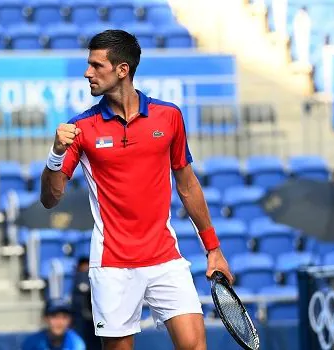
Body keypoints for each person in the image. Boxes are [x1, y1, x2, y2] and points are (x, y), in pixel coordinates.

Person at [40, 29, 233, 350]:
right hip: (113, 264)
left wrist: (213, 249)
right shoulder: (81, 128)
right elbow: (50, 198)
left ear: (122, 70)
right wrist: (56, 153)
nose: (87, 73)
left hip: (165, 258)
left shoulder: (169, 116)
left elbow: (187, 186)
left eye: (96, 66)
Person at [22, 299, 86, 350]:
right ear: (46, 318)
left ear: (70, 320)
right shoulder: (33, 342)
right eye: (54, 316)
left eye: (64, 317)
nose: (59, 322)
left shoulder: (76, 343)